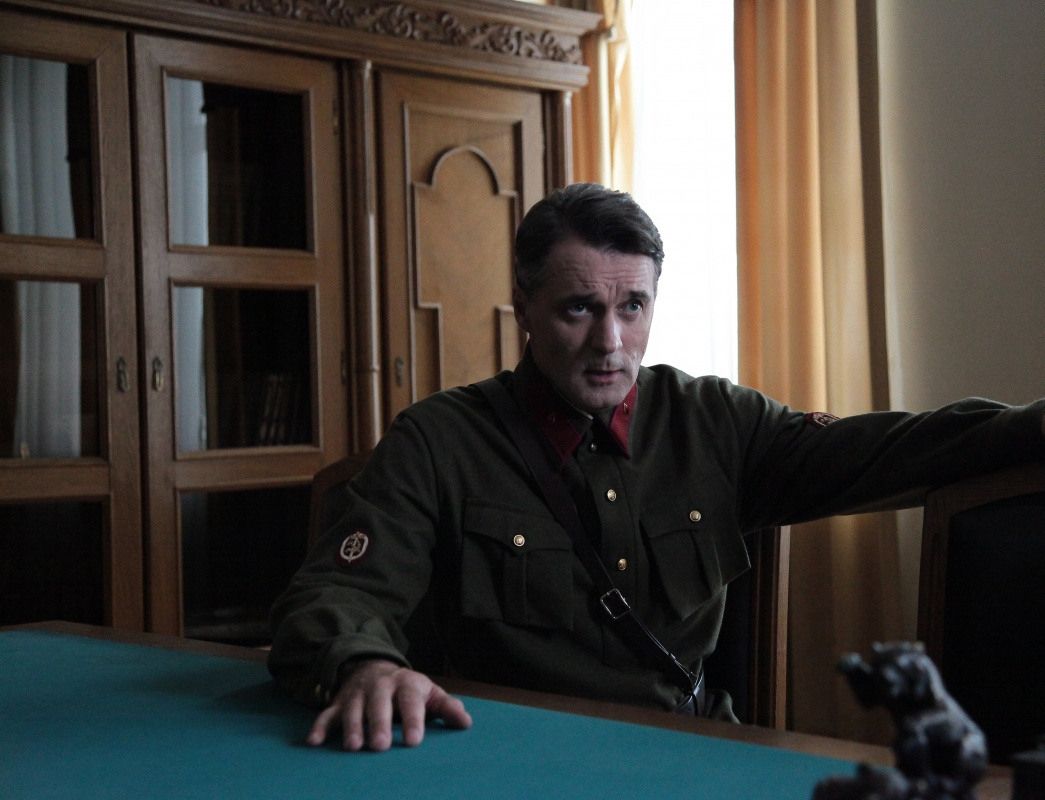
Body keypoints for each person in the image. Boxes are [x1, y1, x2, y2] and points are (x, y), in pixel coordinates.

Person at [268, 183, 1045, 753]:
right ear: (524, 307)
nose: (609, 342)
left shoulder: (714, 422)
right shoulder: (441, 441)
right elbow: (332, 595)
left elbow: (899, 449)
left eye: (631, 307)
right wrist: (364, 664)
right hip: (509, 759)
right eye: (578, 308)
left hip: (690, 754)